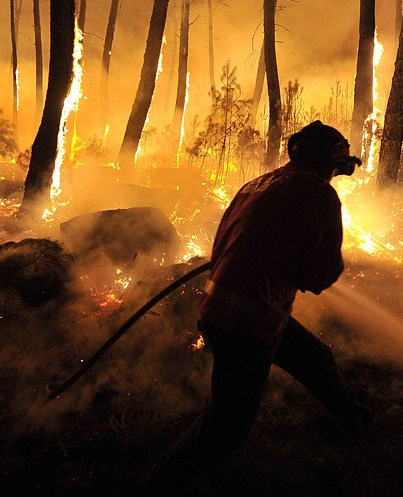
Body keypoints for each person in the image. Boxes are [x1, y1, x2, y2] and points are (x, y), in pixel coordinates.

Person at [148, 120, 371, 489]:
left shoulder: (257, 184)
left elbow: (224, 244)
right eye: (337, 168)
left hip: (223, 309)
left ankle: (356, 421)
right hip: (249, 324)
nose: (337, 177)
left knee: (315, 358)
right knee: (226, 429)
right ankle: (158, 483)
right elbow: (318, 277)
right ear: (328, 164)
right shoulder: (319, 195)